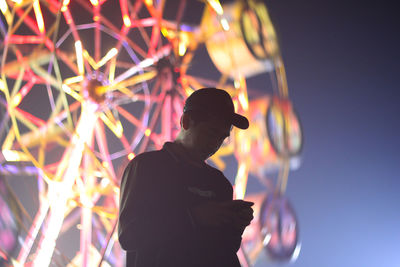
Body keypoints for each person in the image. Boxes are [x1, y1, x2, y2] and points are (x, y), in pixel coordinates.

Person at [118, 88, 254, 267]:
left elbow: (223, 250)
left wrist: (236, 227)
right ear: (186, 122)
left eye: (222, 138)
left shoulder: (219, 184)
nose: (216, 144)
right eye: (212, 133)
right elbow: (129, 234)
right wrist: (195, 217)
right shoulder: (146, 168)